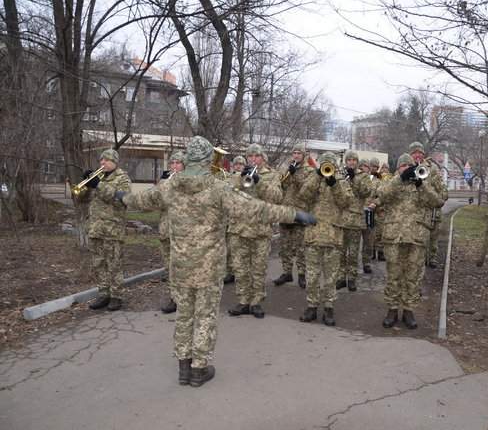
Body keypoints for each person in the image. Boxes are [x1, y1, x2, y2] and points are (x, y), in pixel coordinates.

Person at [116, 136, 316, 387]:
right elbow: (258, 209)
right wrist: (295, 214)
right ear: (208, 159)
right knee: (205, 316)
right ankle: (199, 369)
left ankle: (183, 368)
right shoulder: (218, 189)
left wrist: (121, 196)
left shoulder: (171, 186)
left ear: (188, 159)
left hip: (180, 266)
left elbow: (141, 200)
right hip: (208, 268)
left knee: (185, 315)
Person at [375, 153, 444, 329]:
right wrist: (399, 179)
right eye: (402, 166)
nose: (405, 168)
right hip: (394, 236)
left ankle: (408, 310)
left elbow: (437, 201)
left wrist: (421, 184)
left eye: (408, 166)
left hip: (416, 236)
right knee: (394, 274)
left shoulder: (422, 182)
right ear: (398, 168)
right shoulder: (392, 182)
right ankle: (392, 309)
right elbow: (381, 195)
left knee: (413, 276)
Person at [297, 152, 353, 326]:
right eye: (324, 164)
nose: (327, 166)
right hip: (313, 235)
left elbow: (346, 202)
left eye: (330, 164)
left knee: (331, 276)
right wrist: (317, 176)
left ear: (335, 166)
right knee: (312, 275)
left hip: (333, 236)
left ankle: (329, 307)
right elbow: (303, 195)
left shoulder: (342, 182)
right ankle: (312, 306)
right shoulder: (312, 179)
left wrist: (334, 184)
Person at [227, 144, 282, 319]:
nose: (252, 159)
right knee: (240, 268)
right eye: (250, 156)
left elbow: (277, 197)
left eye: (256, 156)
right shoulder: (237, 175)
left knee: (258, 269)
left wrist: (260, 182)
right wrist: (240, 178)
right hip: (239, 228)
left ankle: (256, 302)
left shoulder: (272, 175)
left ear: (263, 158)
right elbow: (228, 194)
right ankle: (243, 301)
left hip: (260, 229)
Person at [79, 149, 132, 311]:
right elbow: (81, 199)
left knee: (114, 264)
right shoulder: (98, 177)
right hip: (96, 229)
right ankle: (103, 294)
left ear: (114, 162)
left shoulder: (123, 178)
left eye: (106, 160)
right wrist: (87, 186)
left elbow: (122, 199)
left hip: (113, 230)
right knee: (99, 264)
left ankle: (116, 296)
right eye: (101, 160)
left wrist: (98, 185)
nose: (102, 163)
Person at [274, 143, 312, 288]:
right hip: (286, 210)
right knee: (285, 246)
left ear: (303, 155)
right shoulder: (286, 168)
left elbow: (306, 189)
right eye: (294, 153)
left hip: (300, 211)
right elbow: (281, 186)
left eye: (299, 153)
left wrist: (295, 174)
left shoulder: (309, 170)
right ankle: (287, 272)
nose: (296, 155)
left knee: (300, 246)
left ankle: (302, 274)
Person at [336, 150, 372, 292]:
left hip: (356, 220)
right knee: (340, 251)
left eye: (354, 160)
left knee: (353, 252)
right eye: (349, 160)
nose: (351, 162)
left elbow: (366, 192)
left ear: (357, 162)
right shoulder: (340, 174)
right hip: (341, 219)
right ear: (346, 161)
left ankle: (351, 278)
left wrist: (354, 179)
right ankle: (340, 277)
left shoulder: (363, 176)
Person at [408, 141, 449, 267]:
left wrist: (435, 199)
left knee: (432, 238)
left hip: (430, 212)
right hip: (411, 212)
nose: (417, 155)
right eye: (414, 153)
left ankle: (432, 257)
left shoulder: (432, 169)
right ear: (410, 155)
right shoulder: (405, 168)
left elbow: (443, 192)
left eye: (420, 152)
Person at [159, 151, 185, 313]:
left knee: (181, 266)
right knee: (169, 267)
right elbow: (157, 202)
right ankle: (173, 297)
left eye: (178, 163)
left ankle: (184, 298)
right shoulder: (165, 181)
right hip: (165, 229)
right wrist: (162, 183)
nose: (174, 166)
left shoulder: (187, 182)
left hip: (181, 232)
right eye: (172, 163)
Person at [223, 155, 246, 285]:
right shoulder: (227, 178)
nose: (238, 166)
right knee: (229, 248)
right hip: (229, 218)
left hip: (242, 218)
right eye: (236, 164)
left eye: (240, 164)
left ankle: (240, 273)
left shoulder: (247, 178)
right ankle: (230, 272)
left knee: (241, 249)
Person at [359, 159, 375, 274]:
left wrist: (375, 203)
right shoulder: (354, 178)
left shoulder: (375, 180)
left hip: (369, 212)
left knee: (368, 240)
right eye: (362, 166)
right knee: (353, 241)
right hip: (357, 213)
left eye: (366, 166)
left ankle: (367, 263)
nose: (364, 168)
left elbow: (381, 194)